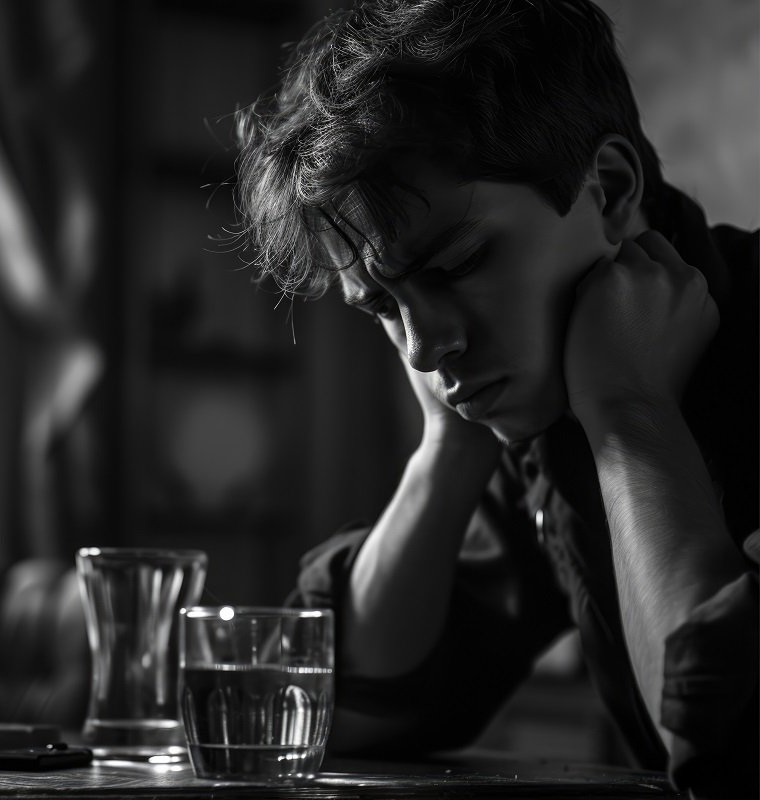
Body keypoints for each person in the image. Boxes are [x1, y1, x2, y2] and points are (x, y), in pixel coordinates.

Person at [233, 1, 759, 797]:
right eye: (381, 305)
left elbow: (728, 734)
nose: (420, 344)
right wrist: (449, 443)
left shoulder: (613, 390)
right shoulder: (542, 413)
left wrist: (631, 419)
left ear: (611, 191)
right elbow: (338, 706)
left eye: (459, 263)